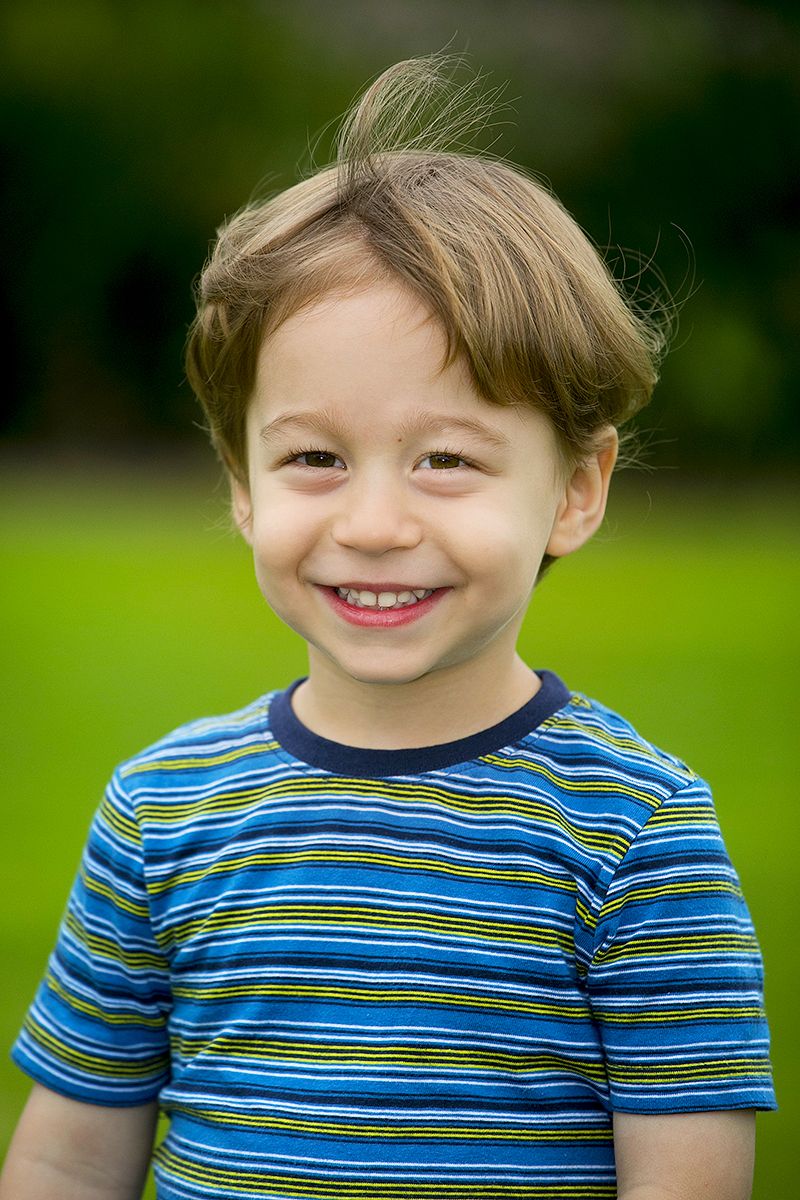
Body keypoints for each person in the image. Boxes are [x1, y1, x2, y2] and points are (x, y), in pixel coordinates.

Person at [1, 55, 775, 1200]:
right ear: (241, 484)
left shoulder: (630, 831)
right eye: (315, 456)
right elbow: (69, 1159)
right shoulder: (161, 812)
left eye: (445, 460)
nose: (371, 525)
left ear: (575, 489)